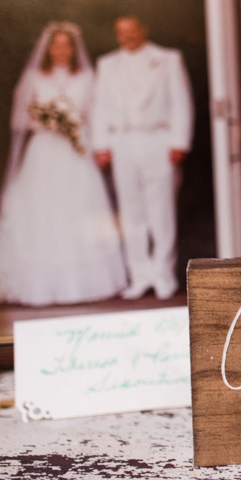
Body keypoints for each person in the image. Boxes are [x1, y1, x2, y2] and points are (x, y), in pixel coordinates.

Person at [0, 22, 127, 307]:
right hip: (45, 150)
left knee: (77, 208)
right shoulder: (35, 76)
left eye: (66, 45)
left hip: (77, 150)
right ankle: (37, 286)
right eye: (56, 45)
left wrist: (96, 146)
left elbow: (96, 114)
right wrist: (47, 120)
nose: (61, 50)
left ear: (73, 49)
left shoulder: (86, 77)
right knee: (41, 210)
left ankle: (82, 286)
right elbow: (21, 118)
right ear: (48, 49)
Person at [91, 15, 194, 300]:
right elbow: (99, 106)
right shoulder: (107, 64)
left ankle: (163, 275)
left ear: (143, 30)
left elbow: (180, 101)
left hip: (157, 139)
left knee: (160, 211)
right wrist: (101, 145)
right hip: (123, 140)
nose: (128, 36)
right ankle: (139, 275)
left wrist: (179, 141)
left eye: (133, 31)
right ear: (116, 34)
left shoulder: (167, 59)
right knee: (131, 211)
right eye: (122, 32)